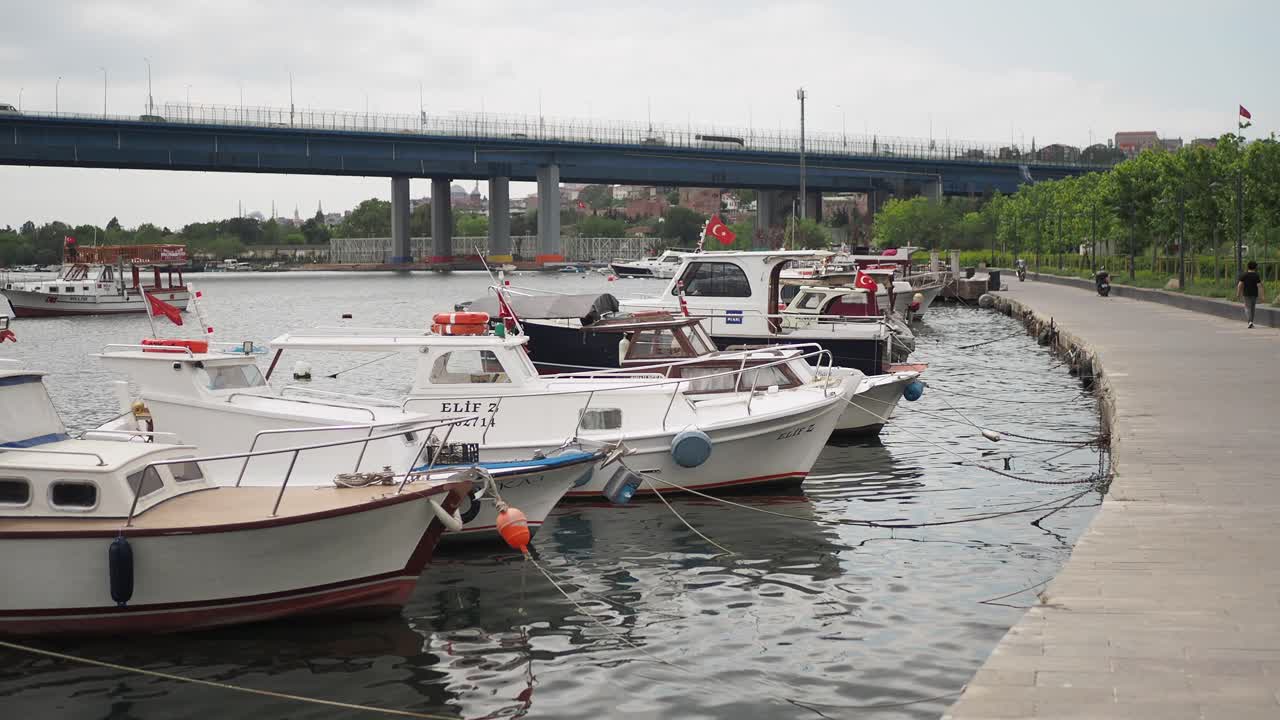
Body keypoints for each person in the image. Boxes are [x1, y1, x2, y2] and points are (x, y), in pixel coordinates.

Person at [1236, 260, 1266, 328]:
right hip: (1254, 294)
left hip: (1246, 294)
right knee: (1252, 308)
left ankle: (1249, 322)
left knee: (1247, 308)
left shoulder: (1244, 274)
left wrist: (1238, 293)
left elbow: (1240, 284)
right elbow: (1259, 286)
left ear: (1248, 267)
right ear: (1255, 267)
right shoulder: (1256, 275)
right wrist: (1262, 296)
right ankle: (1251, 322)